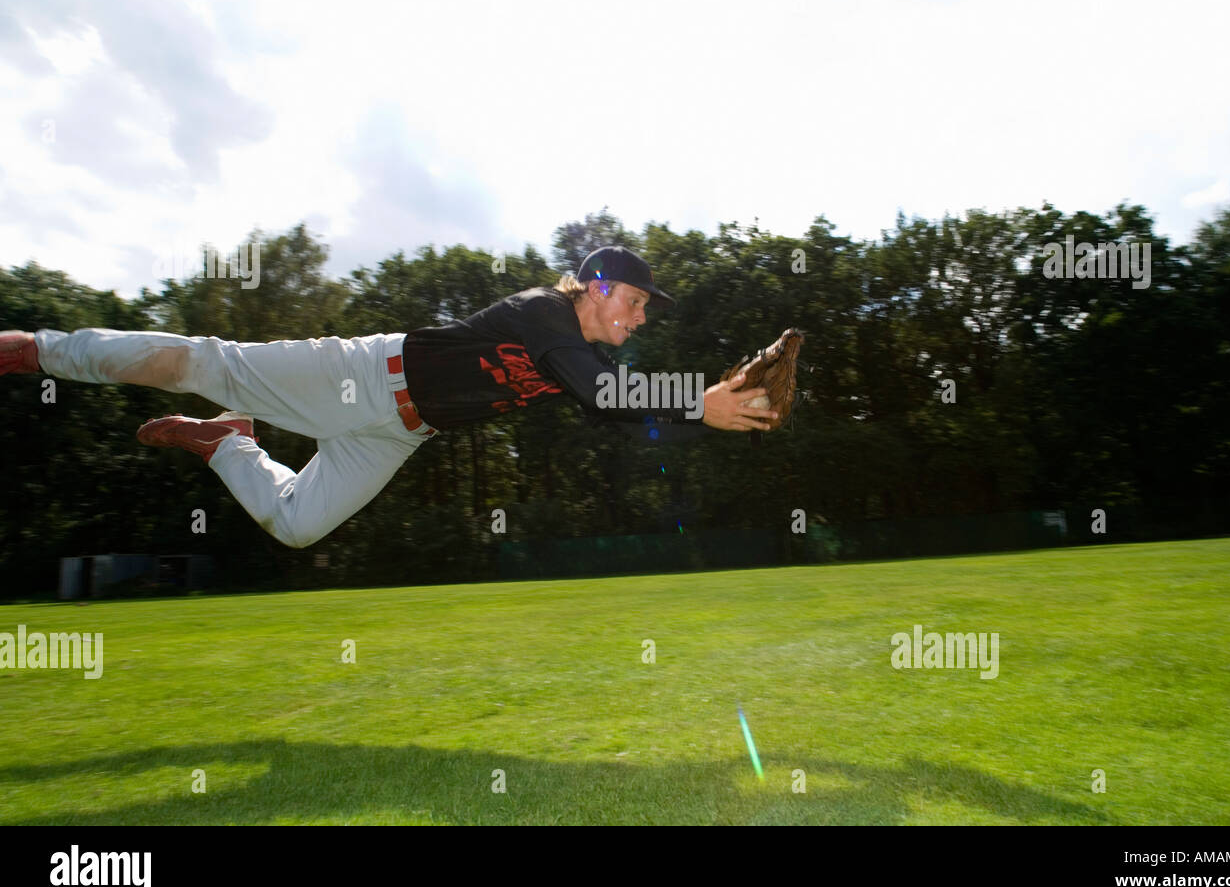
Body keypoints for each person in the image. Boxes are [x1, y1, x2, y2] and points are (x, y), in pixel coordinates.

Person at [0, 246, 776, 548]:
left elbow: (614, 406)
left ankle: (225, 441)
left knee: (298, 523)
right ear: (598, 287)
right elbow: (609, 396)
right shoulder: (548, 311)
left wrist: (709, 405)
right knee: (204, 362)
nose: (640, 317)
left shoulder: (575, 352)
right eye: (636, 302)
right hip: (368, 376)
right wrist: (696, 401)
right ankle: (39, 348)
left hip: (398, 432)